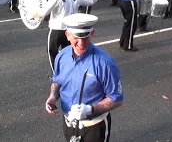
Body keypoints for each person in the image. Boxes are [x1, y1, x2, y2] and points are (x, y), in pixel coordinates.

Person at [45, 13, 123, 142]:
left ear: (92, 33)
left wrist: (90, 109)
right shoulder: (61, 57)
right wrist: (52, 97)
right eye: (77, 37)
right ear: (67, 35)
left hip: (94, 127)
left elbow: (117, 98)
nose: (81, 43)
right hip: (69, 123)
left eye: (85, 36)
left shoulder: (105, 63)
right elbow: (57, 81)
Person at [33, 0, 100, 73]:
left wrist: (31, 13)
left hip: (56, 30)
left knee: (52, 52)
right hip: (70, 30)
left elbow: (42, 13)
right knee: (69, 52)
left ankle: (57, 74)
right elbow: (90, 1)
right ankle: (70, 71)